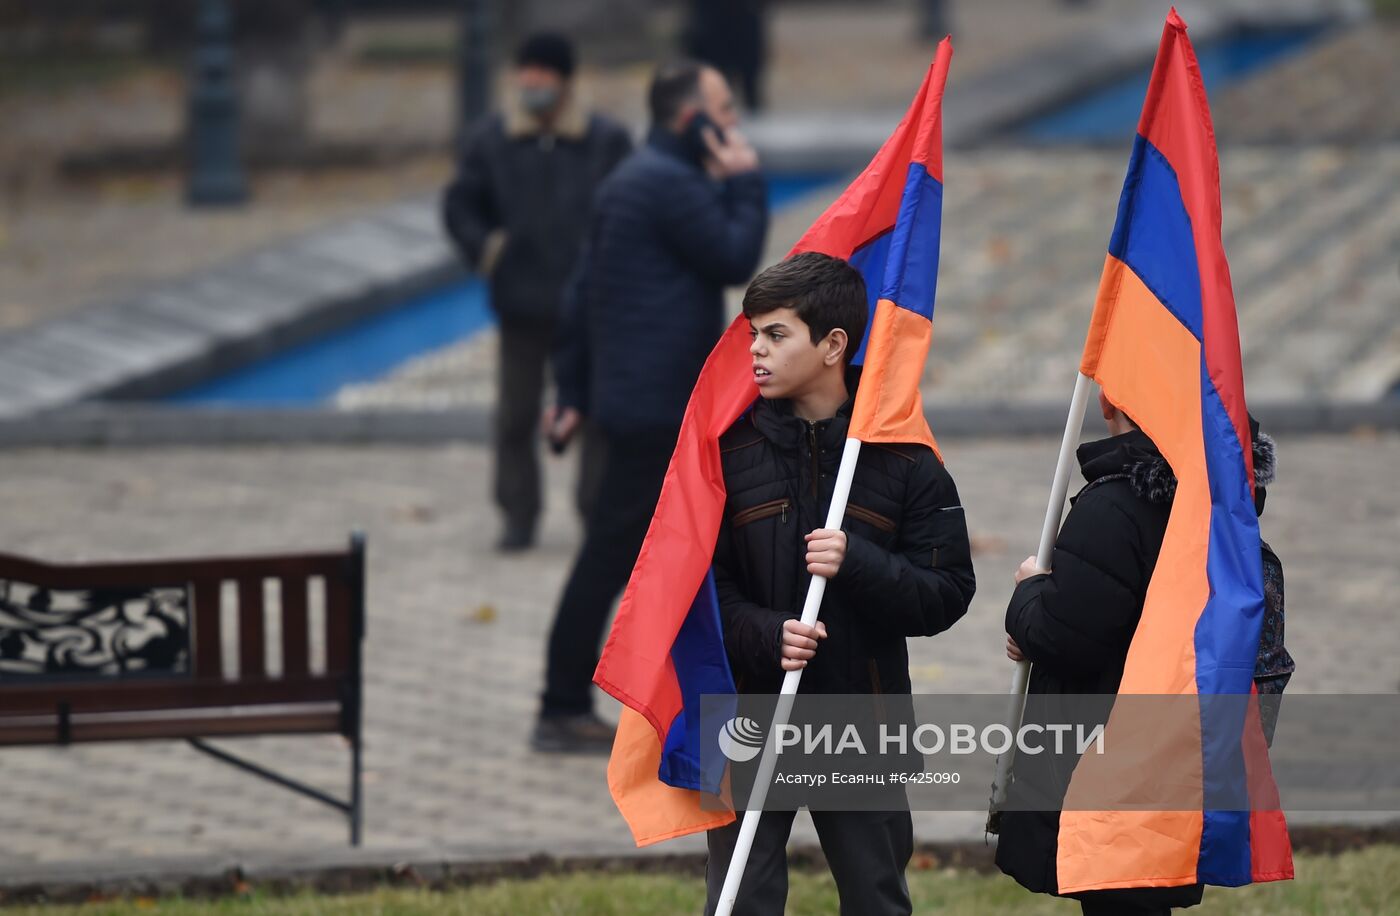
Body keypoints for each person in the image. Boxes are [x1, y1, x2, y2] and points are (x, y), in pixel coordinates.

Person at [702, 252, 977, 915]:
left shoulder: (906, 459)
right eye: (752, 335)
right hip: (748, 716)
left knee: (877, 899)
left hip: (862, 719)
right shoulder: (724, 451)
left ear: (833, 346)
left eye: (775, 334)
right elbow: (703, 588)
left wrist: (858, 562)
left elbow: (946, 593)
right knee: (740, 900)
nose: (756, 352)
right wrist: (767, 635)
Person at [533, 60, 769, 751]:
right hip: (656, 409)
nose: (732, 124)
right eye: (723, 112)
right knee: (615, 554)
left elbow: (581, 294)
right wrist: (748, 180)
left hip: (637, 403)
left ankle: (604, 698)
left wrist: (573, 392)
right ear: (688, 118)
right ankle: (561, 703)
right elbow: (734, 256)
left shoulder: (635, 179)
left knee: (637, 552)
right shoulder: (667, 185)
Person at [996, 391, 1279, 915]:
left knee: (1122, 899)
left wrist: (1029, 594)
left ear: (1110, 403)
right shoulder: (1219, 501)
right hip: (1185, 750)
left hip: (1108, 761)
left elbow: (1068, 637)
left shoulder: (1115, 507)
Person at [443, 32, 631, 552]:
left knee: (598, 417)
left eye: (542, 73)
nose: (532, 82)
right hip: (521, 305)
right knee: (515, 416)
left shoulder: (605, 141)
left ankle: (598, 516)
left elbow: (630, 207)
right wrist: (490, 250)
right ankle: (518, 516)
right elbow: (460, 207)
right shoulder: (492, 140)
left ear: (564, 81)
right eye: (525, 72)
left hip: (591, 308)